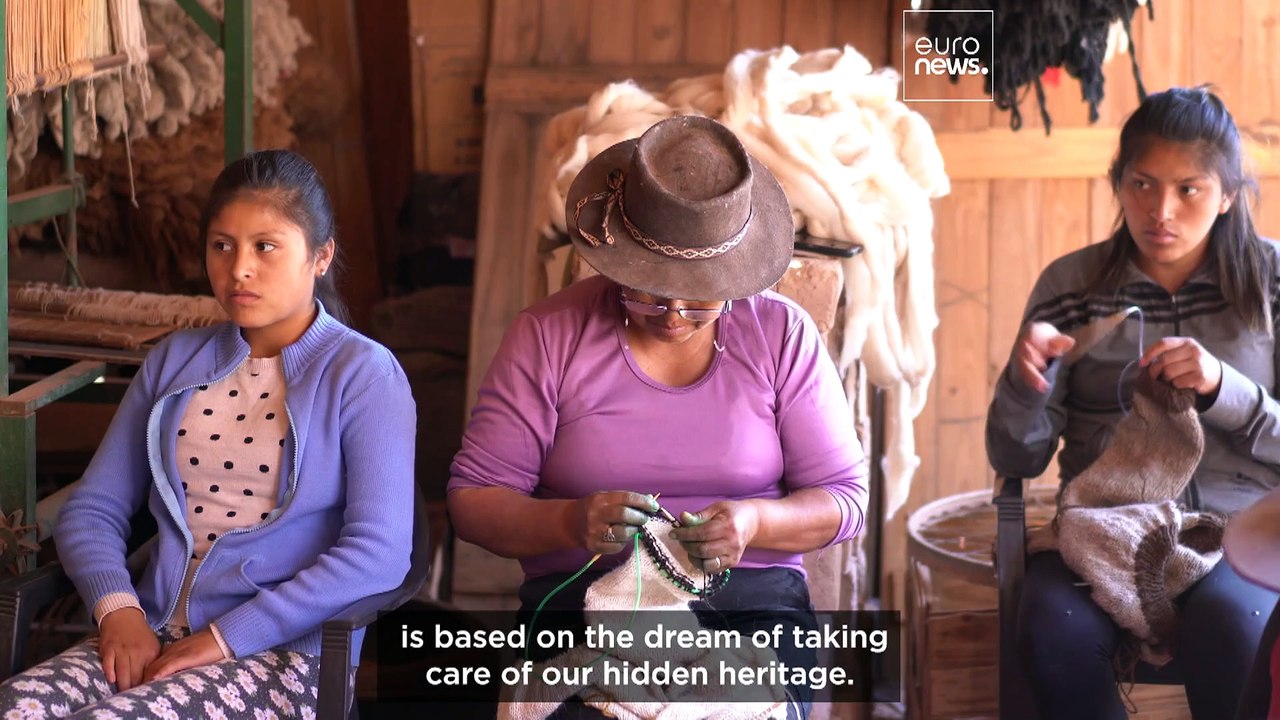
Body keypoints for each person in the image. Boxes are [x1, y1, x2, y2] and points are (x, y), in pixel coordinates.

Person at [448, 115, 868, 718]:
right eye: (647, 288)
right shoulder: (548, 335)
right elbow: (473, 501)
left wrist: (752, 523)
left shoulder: (779, 333)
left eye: (700, 294)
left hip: (751, 608)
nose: (673, 313)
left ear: (736, 269)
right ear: (616, 258)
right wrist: (571, 523)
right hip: (583, 609)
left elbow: (846, 500)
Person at [0, 150, 416, 717]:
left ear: (321, 257)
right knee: (17, 705)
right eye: (222, 245)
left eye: (265, 247)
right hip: (146, 632)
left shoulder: (363, 375)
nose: (238, 268)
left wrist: (226, 637)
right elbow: (92, 508)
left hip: (279, 660)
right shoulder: (175, 360)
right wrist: (117, 609)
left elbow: (379, 554)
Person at [987, 86, 1280, 720]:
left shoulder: (1270, 284)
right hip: (1104, 524)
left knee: (1229, 628)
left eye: (1189, 189)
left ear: (1228, 194)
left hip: (1247, 528)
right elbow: (1018, 455)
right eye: (1142, 184)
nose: (1160, 211)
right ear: (1118, 181)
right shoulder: (1072, 286)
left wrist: (1228, 390)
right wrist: (1023, 384)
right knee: (1052, 633)